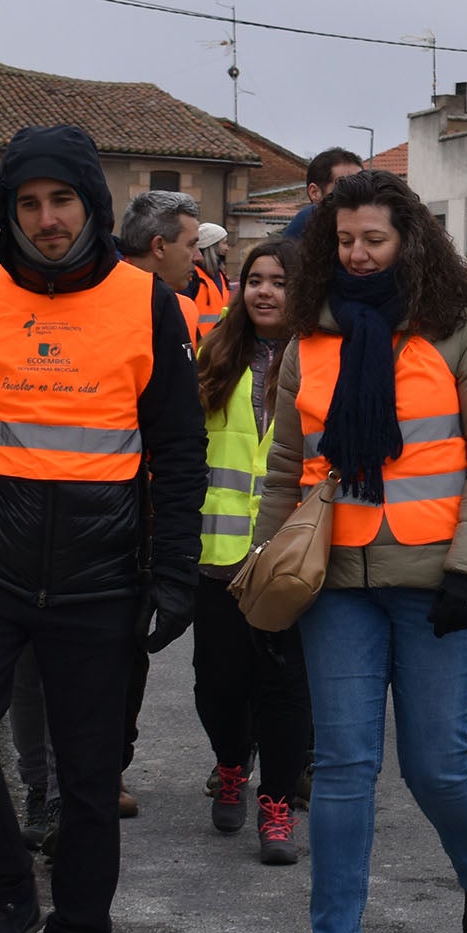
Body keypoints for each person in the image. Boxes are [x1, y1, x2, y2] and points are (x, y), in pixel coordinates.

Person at [0, 123, 204, 933]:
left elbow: (177, 452)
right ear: (9, 211)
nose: (46, 220)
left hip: (100, 579)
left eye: (61, 201)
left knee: (87, 780)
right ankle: (7, 899)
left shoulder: (144, 303)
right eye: (28, 203)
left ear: (92, 204)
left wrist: (170, 576)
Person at [252, 169, 467, 933]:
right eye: (343, 241)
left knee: (436, 766)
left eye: (373, 238)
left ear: (408, 239)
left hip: (439, 581)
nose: (358, 254)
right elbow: (288, 470)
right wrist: (263, 577)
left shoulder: (466, 330)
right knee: (340, 768)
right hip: (337, 582)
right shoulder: (310, 340)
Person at [191, 240, 309, 864]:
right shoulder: (216, 352)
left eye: (279, 281)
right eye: (254, 280)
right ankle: (232, 763)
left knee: (287, 685)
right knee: (219, 683)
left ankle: (278, 801)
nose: (264, 291)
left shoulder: (321, 357)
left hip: (290, 560)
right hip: (218, 554)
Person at [111, 188, 206, 811]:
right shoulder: (138, 305)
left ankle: (109, 764)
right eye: (192, 246)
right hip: (113, 504)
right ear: (159, 245)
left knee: (127, 650)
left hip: (149, 504)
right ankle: (77, 775)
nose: (197, 261)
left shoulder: (180, 306)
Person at [281, 148, 364, 242]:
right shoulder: (306, 223)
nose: (356, 192)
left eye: (361, 184)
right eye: (343, 185)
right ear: (314, 193)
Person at [188, 222, 231, 338]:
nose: (227, 248)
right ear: (213, 246)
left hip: (218, 345)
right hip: (198, 347)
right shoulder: (192, 276)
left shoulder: (221, 276)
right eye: (224, 243)